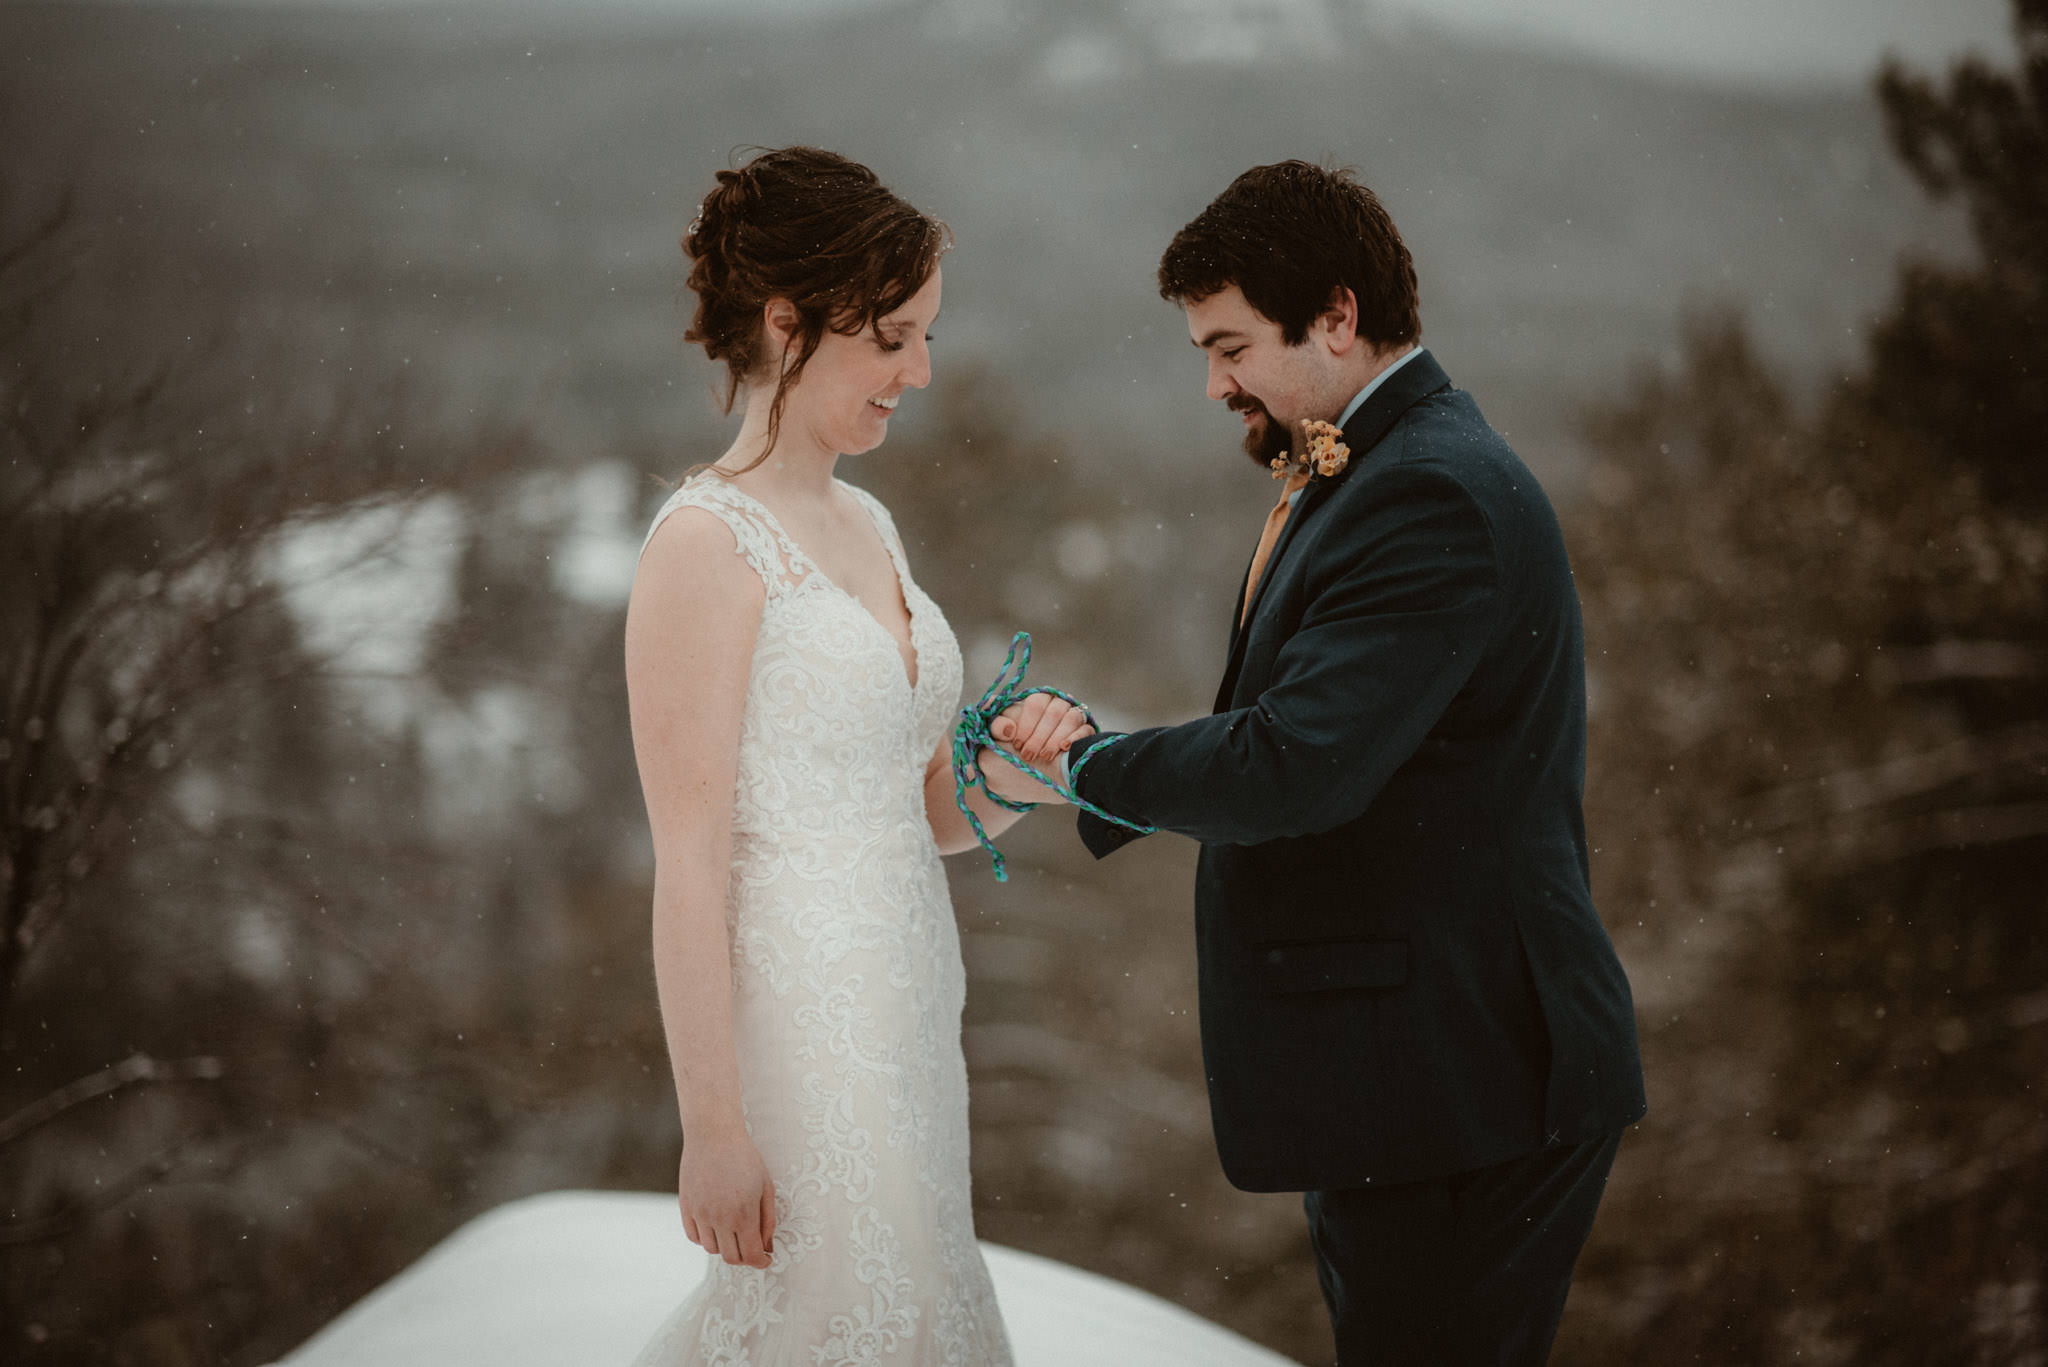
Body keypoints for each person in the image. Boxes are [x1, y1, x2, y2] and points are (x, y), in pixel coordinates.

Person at [1061, 161, 1649, 1364]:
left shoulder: (1424, 490)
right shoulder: (1392, 464)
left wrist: (1092, 763)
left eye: (1229, 346)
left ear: (1334, 317)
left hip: (1461, 1081)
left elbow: (1292, 764)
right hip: (1426, 1073)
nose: (1215, 383)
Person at [622, 146, 1091, 1367]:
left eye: (923, 337)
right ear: (785, 323)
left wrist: (1026, 769)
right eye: (890, 338)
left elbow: (924, 802)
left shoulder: (865, 519)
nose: (919, 373)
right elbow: (686, 863)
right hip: (796, 1033)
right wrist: (713, 1125)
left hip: (910, 1010)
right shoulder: (702, 546)